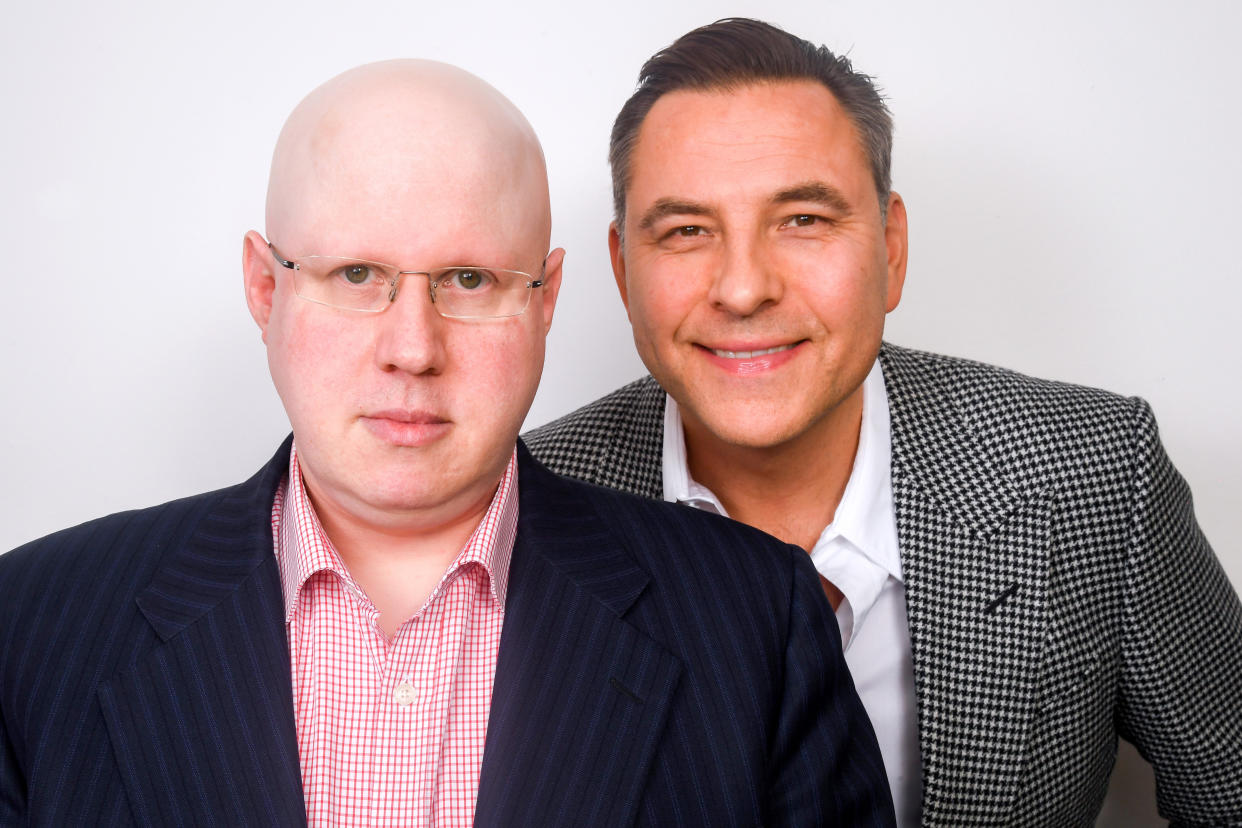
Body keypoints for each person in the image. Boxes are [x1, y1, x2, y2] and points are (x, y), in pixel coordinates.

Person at [0, 60, 897, 826]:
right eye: (358, 275)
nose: (413, 348)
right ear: (265, 292)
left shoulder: (755, 620)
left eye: (470, 279)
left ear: (545, 301)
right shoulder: (30, 625)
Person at [524, 18, 1242, 827]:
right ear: (623, 272)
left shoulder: (1096, 474)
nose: (743, 288)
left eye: (803, 220)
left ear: (891, 250)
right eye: (687, 231)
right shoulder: (523, 506)